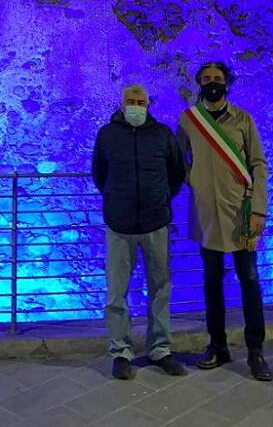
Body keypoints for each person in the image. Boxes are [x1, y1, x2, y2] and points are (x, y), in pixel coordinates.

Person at [177, 62, 273, 382]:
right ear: (198, 84)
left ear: (227, 83)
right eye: (206, 80)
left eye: (217, 79)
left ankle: (255, 351)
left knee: (249, 282)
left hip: (242, 213)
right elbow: (179, 161)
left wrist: (258, 209)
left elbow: (258, 163)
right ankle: (218, 346)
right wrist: (197, 182)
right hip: (207, 215)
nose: (212, 84)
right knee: (212, 284)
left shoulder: (243, 119)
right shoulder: (189, 121)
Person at [92, 83, 186, 380]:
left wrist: (160, 198)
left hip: (155, 223)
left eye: (140, 102)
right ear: (121, 104)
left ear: (148, 104)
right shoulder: (107, 135)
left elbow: (177, 172)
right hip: (119, 225)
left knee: (160, 288)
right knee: (116, 293)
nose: (135, 106)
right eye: (130, 101)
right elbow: (99, 174)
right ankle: (121, 351)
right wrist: (114, 199)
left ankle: (160, 349)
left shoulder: (162, 135)